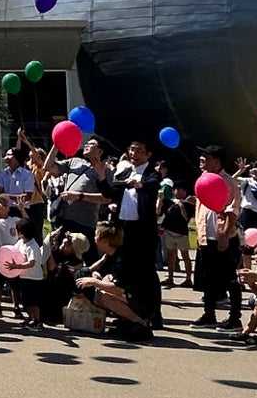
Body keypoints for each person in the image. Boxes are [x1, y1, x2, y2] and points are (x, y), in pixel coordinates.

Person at [112, 140, 163, 328]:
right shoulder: (125, 170)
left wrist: (139, 184)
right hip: (124, 228)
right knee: (125, 272)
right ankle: (128, 311)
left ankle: (155, 313)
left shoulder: (151, 173)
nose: (134, 154)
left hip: (143, 230)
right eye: (132, 149)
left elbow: (151, 184)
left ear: (148, 155)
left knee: (147, 273)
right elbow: (115, 186)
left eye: (140, 151)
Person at [73, 223, 153, 338]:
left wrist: (94, 282)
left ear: (105, 241)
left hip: (145, 302)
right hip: (135, 295)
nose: (94, 238)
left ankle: (140, 323)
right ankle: (126, 319)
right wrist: (97, 277)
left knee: (103, 296)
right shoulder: (114, 253)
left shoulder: (123, 259)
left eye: (96, 235)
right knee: (105, 282)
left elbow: (119, 290)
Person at [193, 147, 242, 330]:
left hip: (223, 238)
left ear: (217, 162)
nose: (201, 159)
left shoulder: (227, 181)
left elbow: (233, 211)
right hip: (207, 237)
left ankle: (235, 317)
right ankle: (209, 314)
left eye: (206, 157)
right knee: (209, 278)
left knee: (230, 278)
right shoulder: (204, 179)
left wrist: (226, 235)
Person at [159, 182, 193, 287]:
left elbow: (186, 219)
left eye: (183, 190)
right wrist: (160, 200)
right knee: (170, 256)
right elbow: (159, 212)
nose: (180, 192)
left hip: (182, 233)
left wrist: (182, 206)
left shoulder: (189, 204)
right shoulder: (168, 202)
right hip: (169, 232)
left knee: (185, 255)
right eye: (178, 190)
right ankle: (170, 278)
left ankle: (188, 279)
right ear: (173, 191)